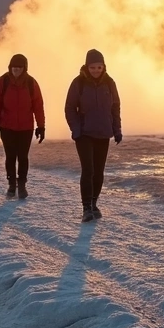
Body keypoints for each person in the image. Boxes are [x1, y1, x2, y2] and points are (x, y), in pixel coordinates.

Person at [65, 49, 122, 223]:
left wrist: (117, 129)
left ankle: (94, 203)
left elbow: (115, 107)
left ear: (104, 67)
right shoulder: (78, 83)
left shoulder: (110, 83)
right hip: (84, 134)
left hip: (103, 133)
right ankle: (86, 208)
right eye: (93, 67)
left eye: (99, 67)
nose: (96, 70)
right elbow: (69, 108)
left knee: (98, 172)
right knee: (88, 170)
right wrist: (76, 129)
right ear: (87, 66)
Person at [0, 54, 45, 199]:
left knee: (23, 157)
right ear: (10, 67)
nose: (16, 70)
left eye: (19, 67)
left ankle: (22, 184)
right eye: (14, 67)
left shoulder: (31, 83)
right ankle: (12, 184)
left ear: (24, 68)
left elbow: (38, 106)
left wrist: (41, 126)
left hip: (26, 127)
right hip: (6, 126)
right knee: (11, 156)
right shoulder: (4, 81)